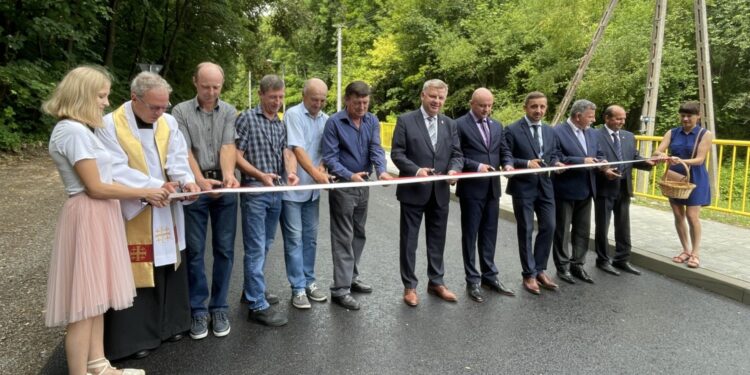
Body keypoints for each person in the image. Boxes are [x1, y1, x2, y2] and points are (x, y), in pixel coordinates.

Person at [43, 66, 164, 375]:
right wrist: (144, 191)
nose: (105, 103)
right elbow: (95, 186)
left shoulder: (82, 130)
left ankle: (99, 365)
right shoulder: (71, 131)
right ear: (82, 95)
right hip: (89, 214)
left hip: (99, 214)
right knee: (84, 306)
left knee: (96, 299)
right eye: (100, 96)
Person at [96, 71, 200, 360]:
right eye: (154, 107)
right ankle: (135, 337)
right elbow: (113, 168)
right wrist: (153, 188)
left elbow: (178, 158)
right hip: (137, 206)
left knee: (169, 262)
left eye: (164, 106)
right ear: (134, 98)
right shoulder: (109, 125)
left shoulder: (168, 122)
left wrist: (185, 181)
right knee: (138, 267)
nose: (160, 112)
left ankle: (172, 325)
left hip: (168, 207)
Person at [171, 62, 240, 340]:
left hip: (224, 188)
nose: (211, 92)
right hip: (194, 187)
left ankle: (219, 306)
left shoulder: (230, 111)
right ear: (194, 82)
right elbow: (183, 151)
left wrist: (227, 178)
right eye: (205, 86)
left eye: (216, 86)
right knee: (196, 251)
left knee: (224, 249)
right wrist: (199, 181)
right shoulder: (179, 111)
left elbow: (227, 146)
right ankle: (198, 309)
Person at [391, 79, 463, 307]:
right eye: (433, 96)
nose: (437, 101)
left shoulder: (449, 124)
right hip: (413, 191)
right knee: (409, 240)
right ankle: (410, 286)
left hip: (440, 192)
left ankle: (436, 282)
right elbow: (397, 154)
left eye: (441, 98)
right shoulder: (405, 120)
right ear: (423, 96)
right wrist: (416, 170)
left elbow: (457, 154)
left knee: (437, 240)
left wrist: (454, 169)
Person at [322, 81, 392, 310]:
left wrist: (381, 171)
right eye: (357, 102)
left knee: (359, 233)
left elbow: (376, 149)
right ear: (347, 100)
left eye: (365, 102)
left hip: (363, 185)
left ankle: (351, 277)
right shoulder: (334, 123)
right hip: (343, 186)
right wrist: (350, 175)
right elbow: (330, 158)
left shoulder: (371, 121)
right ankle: (340, 290)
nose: (362, 107)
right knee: (343, 236)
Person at [235, 74, 299, 326]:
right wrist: (260, 175)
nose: (277, 102)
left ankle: (250, 290)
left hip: (276, 192)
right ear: (261, 94)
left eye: (281, 97)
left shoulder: (279, 124)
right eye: (273, 97)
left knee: (265, 244)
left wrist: (291, 173)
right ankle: (256, 305)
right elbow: (236, 156)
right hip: (254, 192)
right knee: (255, 247)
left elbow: (286, 152)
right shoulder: (247, 119)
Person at [455, 88, 516, 303]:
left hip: (492, 189)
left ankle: (489, 276)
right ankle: (472, 280)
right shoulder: (459, 125)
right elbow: (457, 156)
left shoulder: (497, 125)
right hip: (472, 189)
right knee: (471, 235)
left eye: (490, 105)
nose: (486, 109)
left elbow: (504, 150)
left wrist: (507, 164)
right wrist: (477, 165)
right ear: (472, 103)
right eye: (482, 105)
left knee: (490, 234)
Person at [281, 78, 332, 309]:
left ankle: (309, 281)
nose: (318, 104)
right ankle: (298, 288)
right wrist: (315, 173)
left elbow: (327, 149)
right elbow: (297, 149)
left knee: (310, 239)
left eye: (322, 100)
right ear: (304, 96)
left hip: (312, 191)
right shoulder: (293, 115)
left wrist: (322, 168)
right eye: (314, 100)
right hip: (293, 189)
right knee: (294, 239)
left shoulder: (326, 119)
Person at [504, 91, 561, 295]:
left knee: (550, 226)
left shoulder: (550, 130)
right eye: (534, 106)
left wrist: (556, 163)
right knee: (526, 229)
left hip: (545, 186)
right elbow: (507, 156)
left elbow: (553, 154)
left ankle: (540, 269)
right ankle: (528, 274)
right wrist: (526, 163)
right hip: (523, 187)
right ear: (525, 107)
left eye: (542, 107)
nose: (538, 110)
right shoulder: (511, 129)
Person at [593, 105, 654, 276]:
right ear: (607, 118)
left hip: (624, 187)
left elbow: (633, 157)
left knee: (623, 225)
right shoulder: (595, 135)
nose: (621, 122)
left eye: (623, 119)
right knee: (602, 226)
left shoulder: (628, 136)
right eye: (618, 118)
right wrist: (604, 170)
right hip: (604, 186)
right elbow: (595, 157)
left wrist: (648, 162)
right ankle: (603, 260)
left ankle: (622, 259)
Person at [653, 101, 713, 269]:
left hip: (695, 177)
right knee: (678, 215)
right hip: (675, 177)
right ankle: (686, 250)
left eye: (689, 116)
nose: (685, 119)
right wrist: (663, 155)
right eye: (683, 115)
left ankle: (695, 253)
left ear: (698, 116)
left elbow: (700, 159)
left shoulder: (704, 134)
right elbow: (658, 151)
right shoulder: (672, 132)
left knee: (692, 217)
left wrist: (680, 160)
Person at [552, 99, 599, 285]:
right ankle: (562, 266)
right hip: (565, 188)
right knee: (562, 230)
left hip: (587, 188)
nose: (593, 120)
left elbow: (599, 154)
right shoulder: (557, 132)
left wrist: (603, 165)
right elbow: (555, 157)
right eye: (590, 116)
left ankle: (578, 264)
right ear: (578, 116)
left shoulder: (592, 133)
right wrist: (581, 160)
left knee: (582, 230)